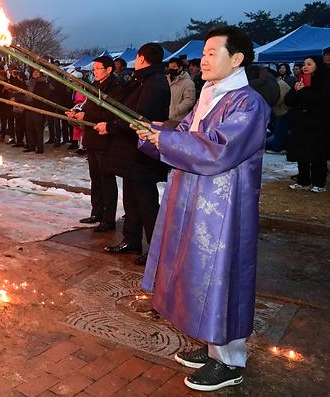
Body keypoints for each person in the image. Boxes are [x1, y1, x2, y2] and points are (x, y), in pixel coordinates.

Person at [135, 25, 270, 392]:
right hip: (194, 197)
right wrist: (153, 132)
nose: (204, 59)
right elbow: (187, 134)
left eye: (213, 52)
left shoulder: (248, 103)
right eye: (205, 52)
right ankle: (213, 348)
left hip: (224, 208)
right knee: (195, 271)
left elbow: (219, 150)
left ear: (237, 59)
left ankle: (230, 362)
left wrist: (164, 138)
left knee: (222, 277)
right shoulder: (210, 93)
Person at [98, 43, 170, 265]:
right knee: (131, 199)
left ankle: (157, 251)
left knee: (147, 203)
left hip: (141, 154)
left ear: (141, 58)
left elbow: (138, 118)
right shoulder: (144, 80)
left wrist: (110, 127)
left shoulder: (154, 83)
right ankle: (132, 240)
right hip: (131, 155)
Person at [68, 56, 122, 232]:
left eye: (98, 68)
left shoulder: (116, 88)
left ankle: (108, 218)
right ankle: (97, 212)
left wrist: (87, 116)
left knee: (106, 179)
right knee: (95, 179)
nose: (95, 71)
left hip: (105, 140)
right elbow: (87, 107)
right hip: (92, 139)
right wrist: (77, 113)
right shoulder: (96, 86)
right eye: (94, 69)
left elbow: (113, 115)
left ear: (108, 70)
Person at [284, 56, 329, 192]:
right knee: (301, 154)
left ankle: (319, 183)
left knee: (317, 155)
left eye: (309, 64)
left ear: (317, 66)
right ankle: (303, 181)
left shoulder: (324, 81)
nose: (305, 67)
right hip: (301, 124)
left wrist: (302, 92)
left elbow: (320, 100)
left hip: (318, 124)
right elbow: (288, 101)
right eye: (304, 64)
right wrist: (297, 92)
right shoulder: (301, 80)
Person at [24, 68, 53, 154]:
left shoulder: (44, 83)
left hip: (39, 108)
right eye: (34, 72)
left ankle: (39, 147)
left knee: (38, 129)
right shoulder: (29, 83)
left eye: (37, 72)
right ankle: (31, 146)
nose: (35, 73)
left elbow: (45, 96)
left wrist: (35, 100)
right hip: (29, 107)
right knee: (29, 128)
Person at [165, 58, 196, 127]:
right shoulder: (166, 79)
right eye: (170, 67)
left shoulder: (188, 82)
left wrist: (175, 111)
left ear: (180, 68)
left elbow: (190, 100)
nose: (171, 69)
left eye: (173, 67)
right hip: (164, 117)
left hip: (178, 120)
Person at [8, 68, 27, 147]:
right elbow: (12, 88)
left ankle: (25, 141)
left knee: (23, 125)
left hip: (23, 107)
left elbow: (21, 88)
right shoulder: (16, 85)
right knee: (18, 125)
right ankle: (19, 141)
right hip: (16, 106)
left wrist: (14, 77)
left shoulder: (25, 84)